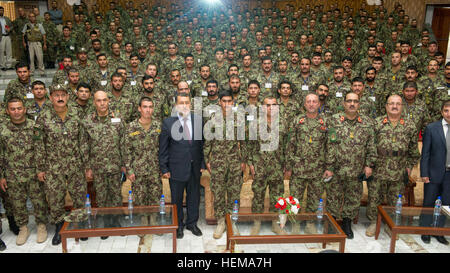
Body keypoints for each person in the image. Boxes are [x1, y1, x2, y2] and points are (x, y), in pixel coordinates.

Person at [34, 84, 87, 245]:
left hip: (75, 164)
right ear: (51, 98)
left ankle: (80, 225)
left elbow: (83, 141)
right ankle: (59, 227)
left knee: (78, 196)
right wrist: (40, 168)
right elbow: (39, 145)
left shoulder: (77, 114)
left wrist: (86, 165)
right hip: (53, 166)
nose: (60, 98)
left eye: (63, 94)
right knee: (55, 199)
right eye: (56, 95)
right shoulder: (43, 117)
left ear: (68, 96)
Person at [365, 94, 420, 237]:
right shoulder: (377, 123)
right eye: (391, 103)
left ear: (402, 107)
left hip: (399, 168)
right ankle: (373, 222)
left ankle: (391, 223)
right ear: (386, 106)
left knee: (395, 199)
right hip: (379, 167)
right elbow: (369, 146)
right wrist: (369, 165)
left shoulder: (410, 125)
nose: (394, 106)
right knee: (374, 197)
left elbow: (414, 150)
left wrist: (409, 166)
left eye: (398, 104)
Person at [324, 92, 377, 239]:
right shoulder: (334, 120)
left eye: (355, 101)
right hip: (337, 168)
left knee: (353, 198)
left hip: (356, 169)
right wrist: (328, 167)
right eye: (349, 101)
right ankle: (333, 223)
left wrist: (369, 165)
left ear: (359, 104)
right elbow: (329, 145)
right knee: (333, 197)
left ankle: (347, 223)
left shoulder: (366, 122)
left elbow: (371, 146)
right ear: (344, 103)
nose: (352, 104)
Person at [0, 97, 49, 246]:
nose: (16, 112)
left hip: (33, 172)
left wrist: (41, 169)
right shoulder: (2, 129)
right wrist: (2, 176)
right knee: (17, 203)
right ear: (8, 111)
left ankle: (41, 226)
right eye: (13, 109)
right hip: (12, 173)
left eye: (19, 108)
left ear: (25, 109)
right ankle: (23, 228)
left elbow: (41, 149)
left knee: (39, 201)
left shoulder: (34, 127)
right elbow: (1, 154)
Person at [159, 93, 206, 239]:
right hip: (176, 167)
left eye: (187, 103)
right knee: (177, 199)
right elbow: (163, 148)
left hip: (195, 167)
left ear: (190, 105)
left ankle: (192, 223)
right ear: (176, 105)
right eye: (181, 103)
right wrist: (164, 168)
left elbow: (201, 144)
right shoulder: (168, 123)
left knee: (194, 197)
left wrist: (202, 163)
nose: (184, 106)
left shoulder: (198, 120)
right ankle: (178, 225)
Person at [80, 90, 125, 240]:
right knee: (101, 197)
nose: (102, 103)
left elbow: (123, 143)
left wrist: (124, 164)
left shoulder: (117, 120)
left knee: (116, 195)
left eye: (104, 100)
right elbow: (84, 146)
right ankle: (106, 223)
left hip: (115, 165)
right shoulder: (87, 121)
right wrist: (87, 167)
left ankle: (116, 221)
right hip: (97, 167)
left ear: (109, 101)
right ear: (94, 102)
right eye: (99, 100)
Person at [204, 90, 246, 239]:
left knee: (234, 193)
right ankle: (221, 221)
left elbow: (243, 142)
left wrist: (244, 161)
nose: (227, 104)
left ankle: (232, 221)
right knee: (219, 193)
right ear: (219, 102)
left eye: (230, 101)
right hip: (218, 162)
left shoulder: (239, 119)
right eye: (224, 101)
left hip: (234, 162)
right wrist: (207, 160)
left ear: (233, 103)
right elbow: (208, 141)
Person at [124, 97, 162, 228]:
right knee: (140, 197)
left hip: (155, 169)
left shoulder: (158, 126)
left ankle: (154, 219)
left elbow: (163, 149)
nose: (148, 110)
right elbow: (127, 151)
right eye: (145, 107)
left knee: (155, 195)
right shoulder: (130, 127)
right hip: (138, 170)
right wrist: (129, 170)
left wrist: (163, 167)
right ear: (139, 108)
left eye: (150, 107)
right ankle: (144, 220)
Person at [419, 99, 450, 245]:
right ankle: (425, 231)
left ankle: (439, 231)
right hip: (433, 173)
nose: (449, 113)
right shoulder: (432, 128)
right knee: (429, 203)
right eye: (446, 110)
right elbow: (425, 153)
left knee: (446, 204)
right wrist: (424, 173)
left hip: (449, 175)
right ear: (441, 112)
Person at [22, 12, 46, 76]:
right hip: (30, 43)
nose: (32, 18)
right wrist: (24, 42)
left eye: (33, 16)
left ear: (35, 17)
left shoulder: (39, 25)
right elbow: (23, 34)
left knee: (40, 58)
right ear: (29, 18)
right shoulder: (26, 25)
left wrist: (45, 44)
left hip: (37, 43)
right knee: (31, 58)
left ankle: (42, 72)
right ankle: (31, 72)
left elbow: (43, 35)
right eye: (30, 16)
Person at [0, 6, 13, 71]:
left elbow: (11, 26)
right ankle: (2, 65)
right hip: (1, 37)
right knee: (1, 51)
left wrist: (9, 29)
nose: (1, 12)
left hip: (8, 36)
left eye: (2, 10)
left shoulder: (7, 19)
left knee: (9, 51)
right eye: (0, 10)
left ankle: (9, 65)